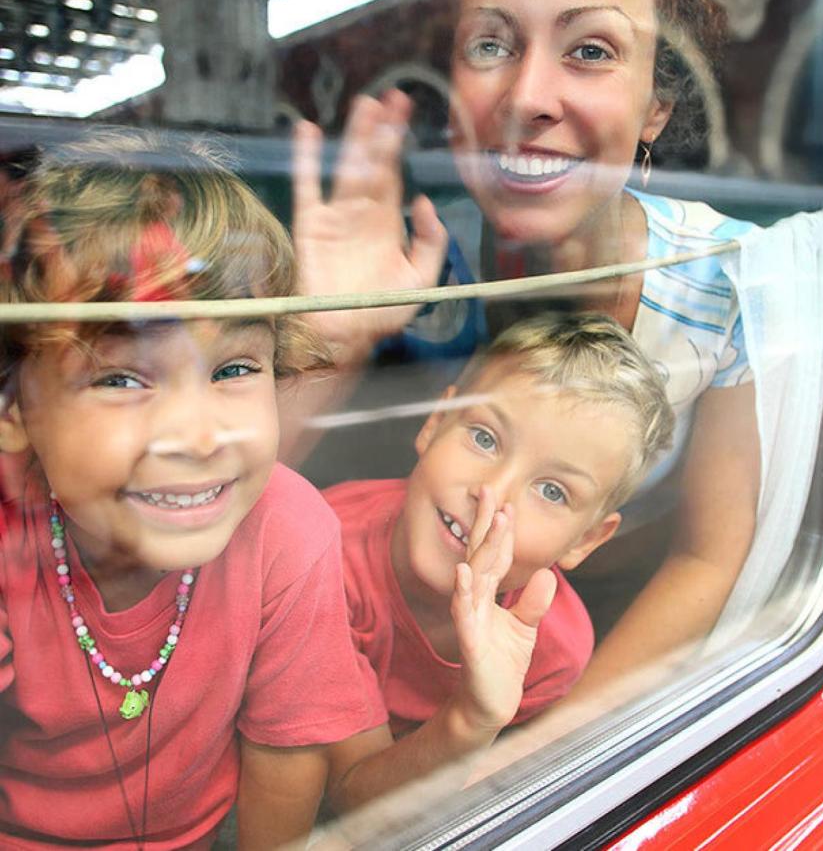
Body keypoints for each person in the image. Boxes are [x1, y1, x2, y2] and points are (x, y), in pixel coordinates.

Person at [0, 130, 570, 847]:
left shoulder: (288, 530)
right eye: (122, 378)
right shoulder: (11, 537)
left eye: (235, 370)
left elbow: (287, 756)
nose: (201, 436)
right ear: (15, 412)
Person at [287, 0, 760, 698]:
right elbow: (219, 509)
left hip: (605, 661)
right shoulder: (419, 261)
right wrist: (334, 336)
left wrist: (531, 763)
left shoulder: (725, 279)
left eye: (592, 49)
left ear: (656, 106)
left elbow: (706, 558)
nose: (527, 95)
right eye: (491, 44)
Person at [328, 312, 674, 736]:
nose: (491, 495)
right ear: (434, 425)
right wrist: (472, 718)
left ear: (584, 540)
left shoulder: (551, 652)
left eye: (552, 491)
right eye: (484, 438)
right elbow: (352, 790)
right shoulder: (321, 555)